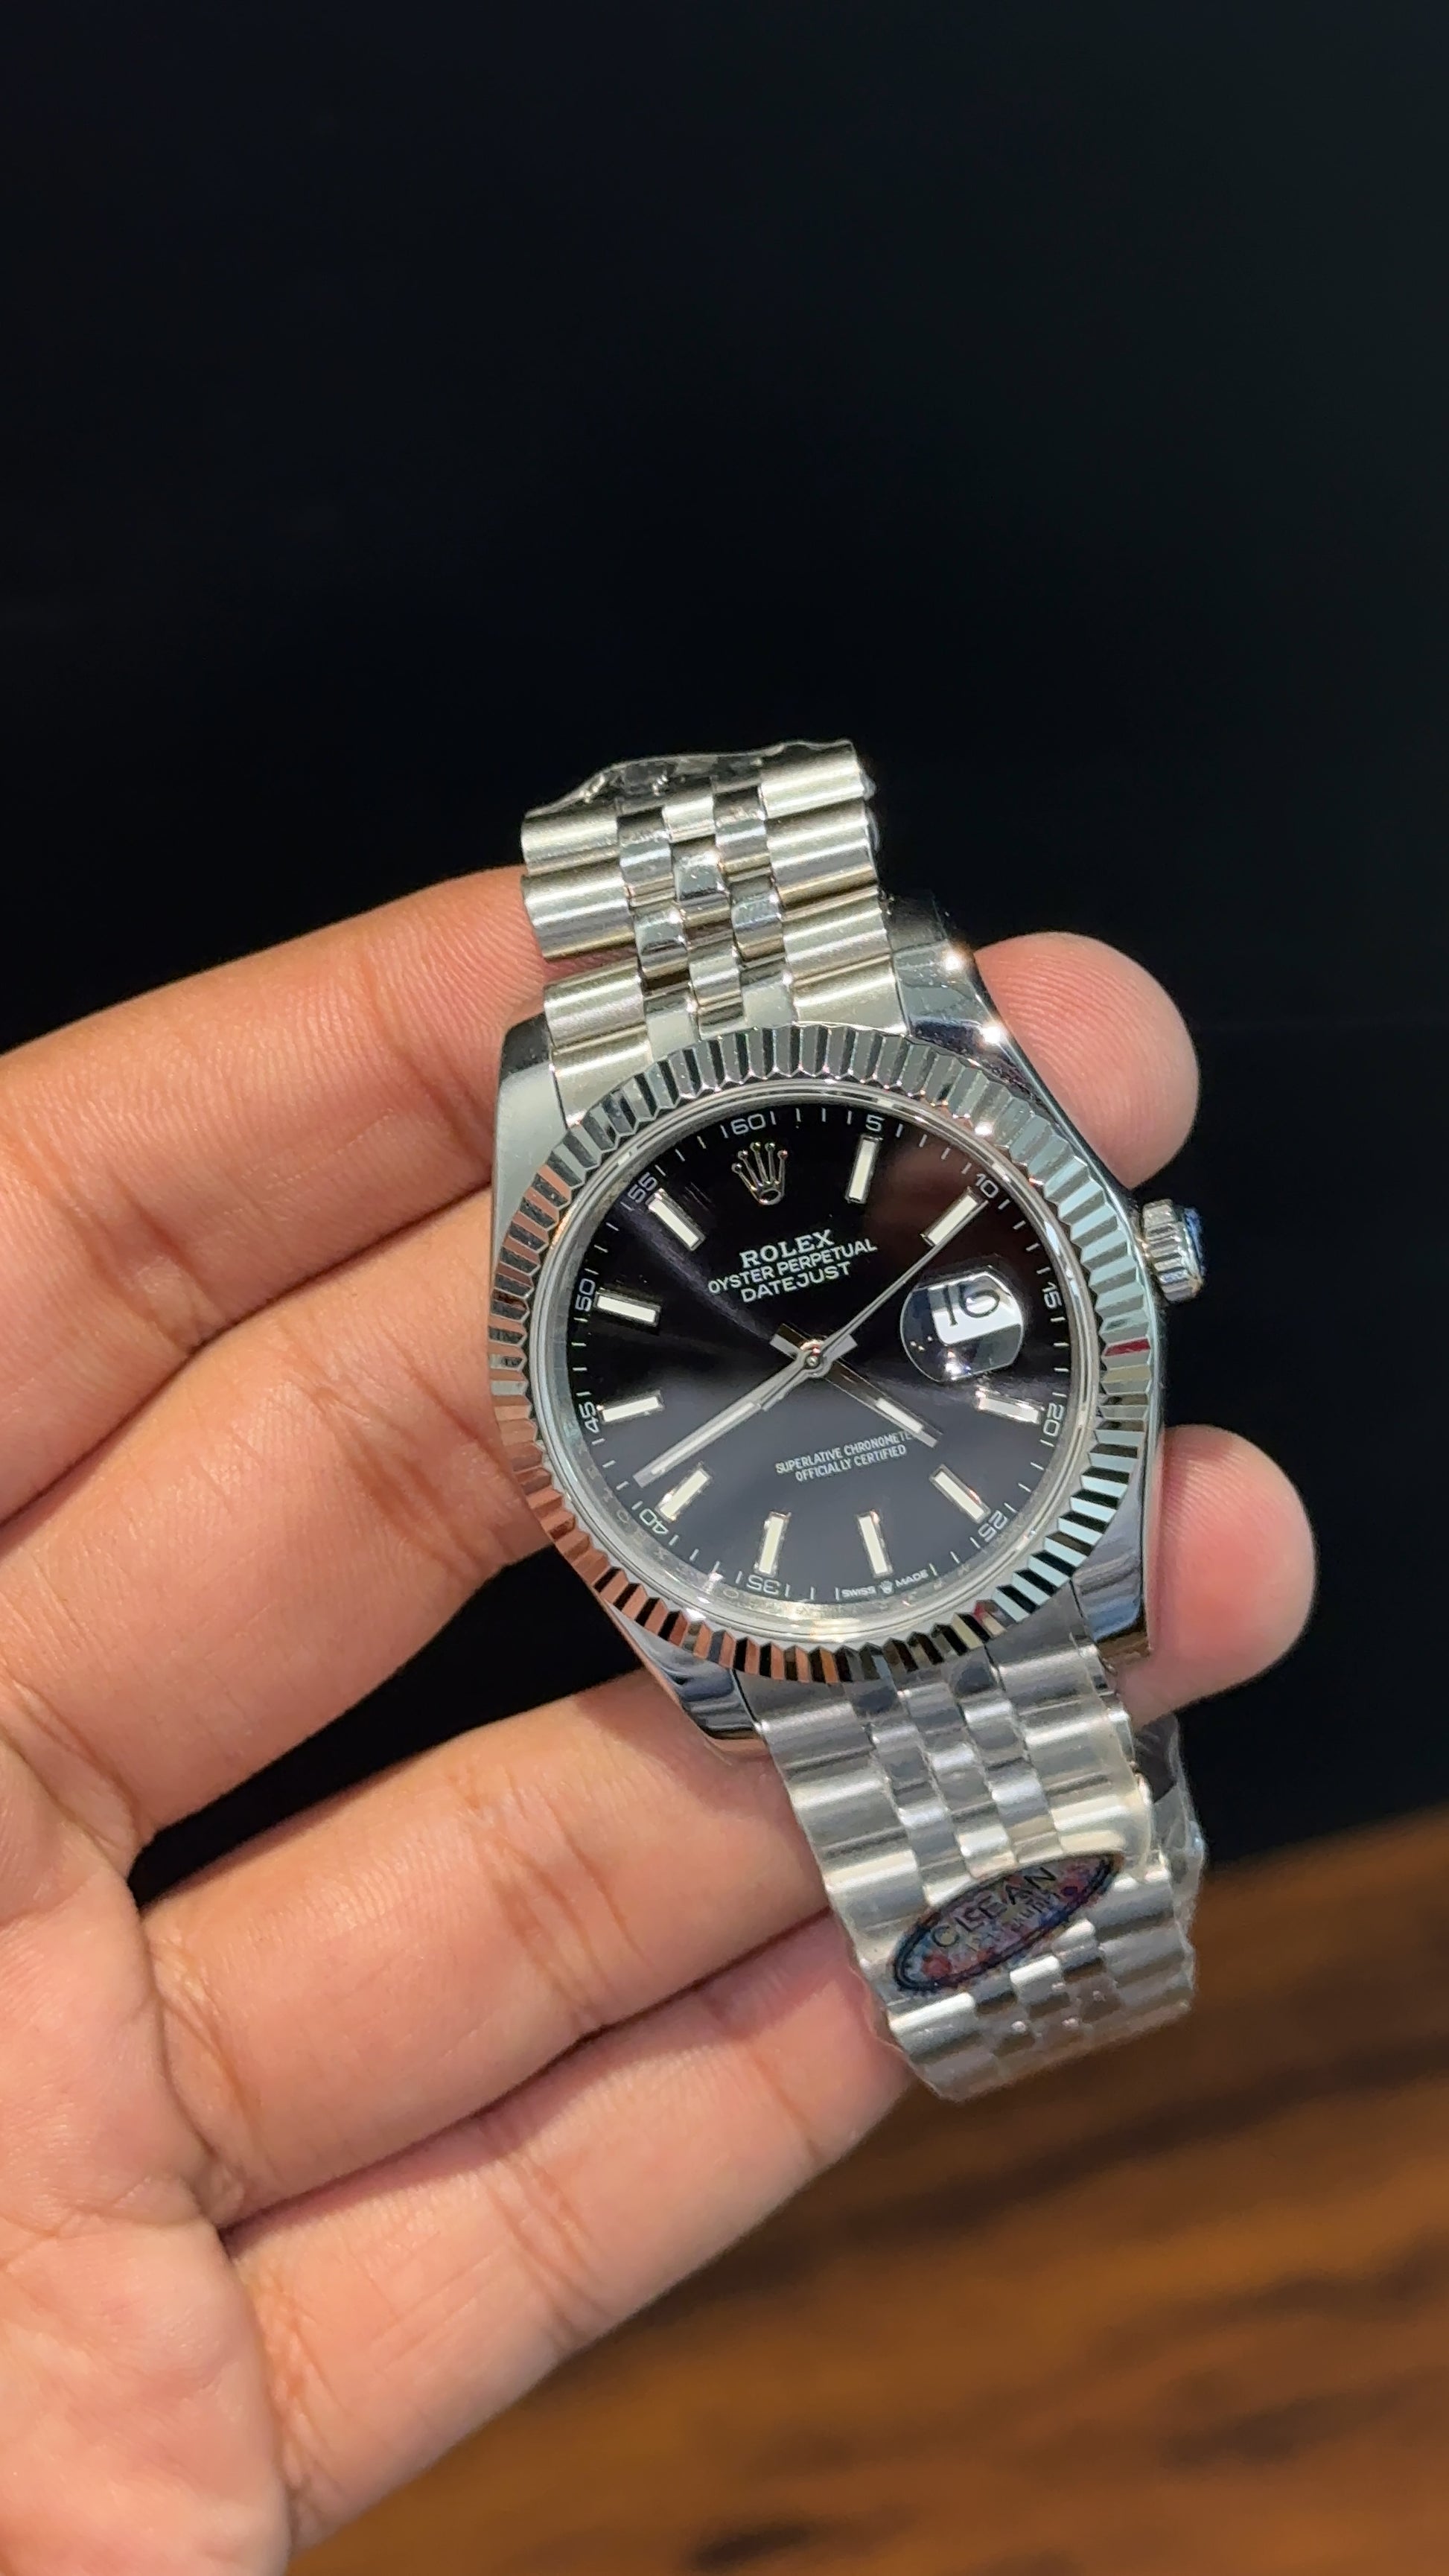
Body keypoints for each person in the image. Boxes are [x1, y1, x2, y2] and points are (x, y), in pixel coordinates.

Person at [0, 867, 1313, 2571]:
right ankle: (1068, 1950)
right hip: (809, 1584)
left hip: (967, 1526)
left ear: (1136, 1266)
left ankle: (1092, 1929)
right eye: (771, 1356)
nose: (810, 1358)